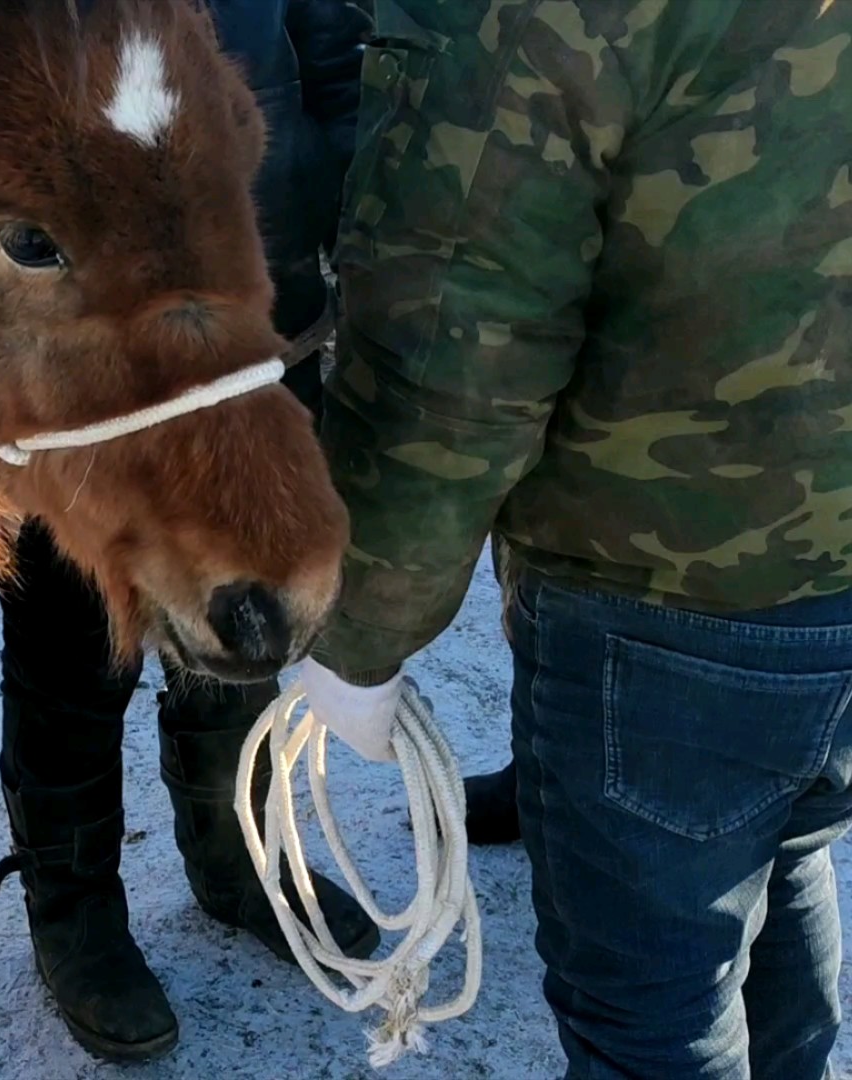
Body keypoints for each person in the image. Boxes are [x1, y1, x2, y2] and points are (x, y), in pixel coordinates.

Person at [299, 1, 852, 1077]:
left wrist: (358, 634)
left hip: (668, 605)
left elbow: (451, 349)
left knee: (652, 1023)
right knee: (783, 847)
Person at [0, 0, 379, 1063]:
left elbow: (339, 66)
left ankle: (237, 856)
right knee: (75, 650)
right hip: (94, 379)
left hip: (263, 330)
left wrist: (352, 234)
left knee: (243, 622)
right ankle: (74, 909)